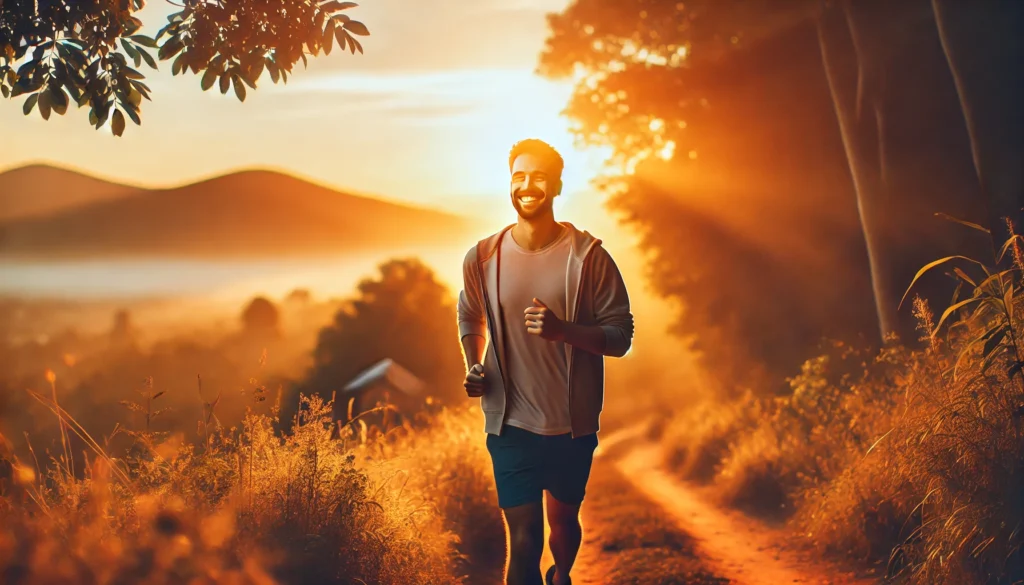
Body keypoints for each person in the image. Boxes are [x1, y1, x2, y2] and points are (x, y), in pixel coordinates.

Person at [457, 138, 634, 585]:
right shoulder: (483, 257)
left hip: (570, 427)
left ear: (555, 185)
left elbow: (620, 337)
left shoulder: (588, 257)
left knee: (562, 528)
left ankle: (563, 575)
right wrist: (473, 365)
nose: (526, 185)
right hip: (510, 426)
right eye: (518, 176)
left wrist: (563, 331)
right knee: (524, 541)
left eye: (537, 176)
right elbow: (469, 311)